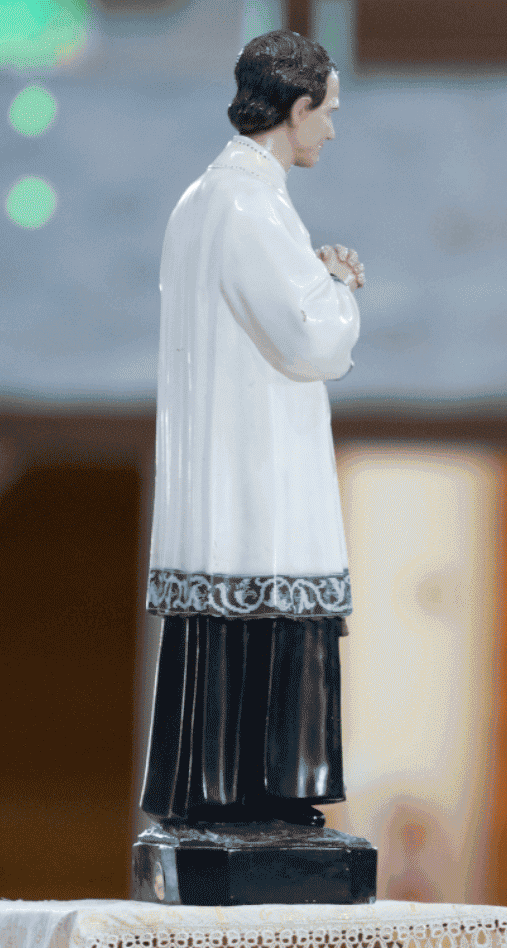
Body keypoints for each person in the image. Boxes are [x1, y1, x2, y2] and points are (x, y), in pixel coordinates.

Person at [139, 30, 366, 828]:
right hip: (258, 464)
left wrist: (316, 277)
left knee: (223, 625)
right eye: (328, 111)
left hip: (225, 459)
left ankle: (213, 788)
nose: (332, 130)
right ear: (297, 108)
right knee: (272, 602)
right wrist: (337, 281)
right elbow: (314, 340)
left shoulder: (205, 198)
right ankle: (259, 794)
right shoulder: (249, 202)